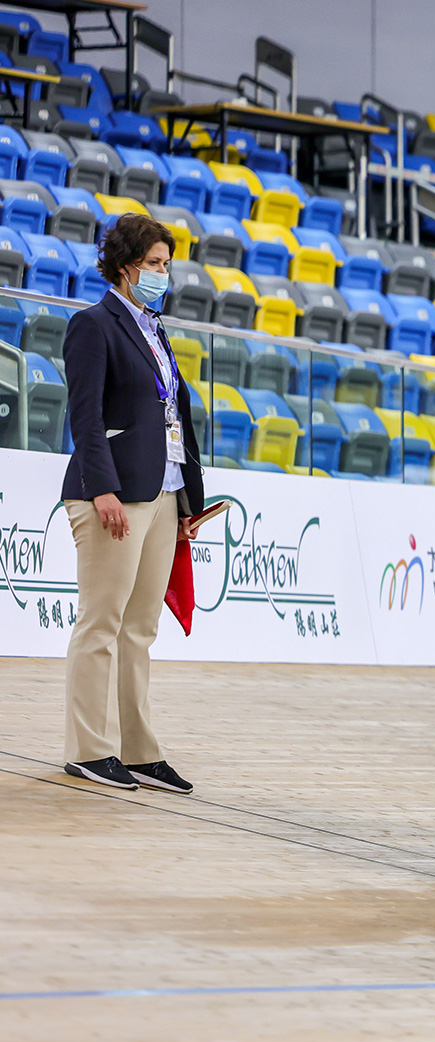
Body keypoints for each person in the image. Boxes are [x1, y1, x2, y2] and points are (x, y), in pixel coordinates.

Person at [59, 212, 205, 793]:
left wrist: (189, 500)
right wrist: (102, 490)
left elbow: (173, 416)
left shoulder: (155, 329)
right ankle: (89, 749)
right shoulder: (93, 325)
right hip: (113, 493)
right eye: (154, 265)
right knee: (102, 622)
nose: (163, 274)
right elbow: (85, 418)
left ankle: (138, 750)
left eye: (167, 265)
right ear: (125, 268)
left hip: (163, 491)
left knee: (139, 629)